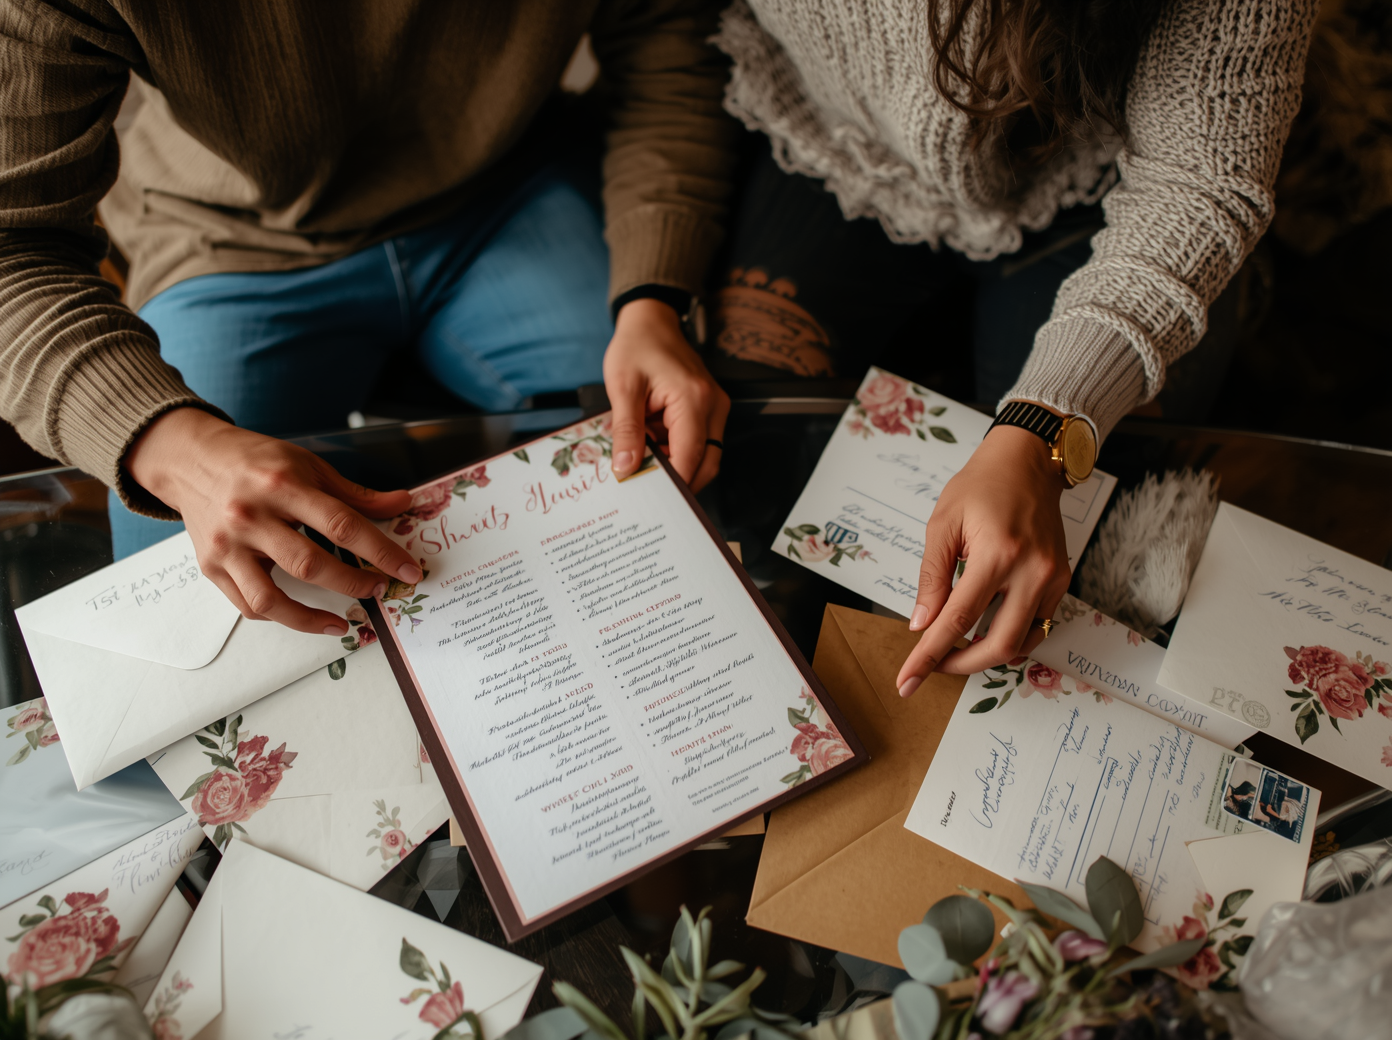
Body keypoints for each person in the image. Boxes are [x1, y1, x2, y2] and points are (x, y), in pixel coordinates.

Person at [0, 1, 735, 638]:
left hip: (504, 186)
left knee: (679, 495)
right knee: (199, 616)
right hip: (222, 239)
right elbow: (12, 246)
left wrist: (652, 300)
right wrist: (171, 444)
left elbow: (669, 52)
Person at [708, 0, 1316, 693]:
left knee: (1090, 525)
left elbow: (1203, 179)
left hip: (1105, 176)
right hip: (835, 147)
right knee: (744, 498)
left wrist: (1040, 425)